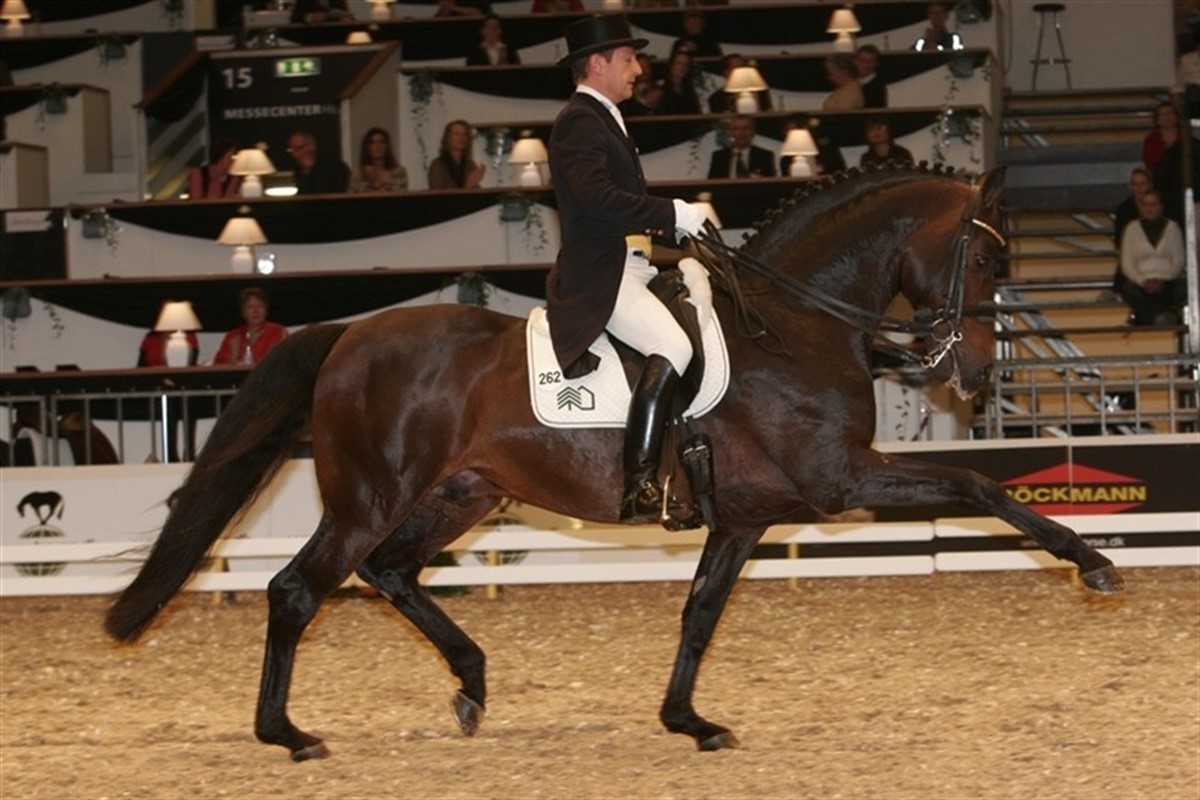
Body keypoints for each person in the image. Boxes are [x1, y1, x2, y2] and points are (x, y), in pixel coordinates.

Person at [546, 14, 709, 522]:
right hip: (602, 274)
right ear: (598, 63)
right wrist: (672, 213)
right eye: (629, 59)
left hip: (632, 264)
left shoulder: (604, 117)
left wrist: (673, 232)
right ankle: (639, 481)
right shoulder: (579, 121)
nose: (638, 69)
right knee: (675, 345)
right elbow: (597, 200)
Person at [1117, 189, 1187, 326]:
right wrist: (1143, 281)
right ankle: (1162, 315)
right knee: (1128, 290)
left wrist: (1162, 279)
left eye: (1153, 204)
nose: (1149, 208)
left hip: (1167, 282)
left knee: (1185, 287)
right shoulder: (1131, 229)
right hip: (1141, 283)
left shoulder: (1173, 228)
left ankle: (1147, 315)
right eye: (1145, 205)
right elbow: (1127, 263)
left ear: (1161, 207)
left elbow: (1179, 260)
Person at [213, 287, 290, 365]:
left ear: (266, 310)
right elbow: (219, 364)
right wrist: (234, 362)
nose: (255, 311)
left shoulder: (279, 333)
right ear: (243, 312)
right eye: (249, 307)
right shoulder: (232, 337)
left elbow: (288, 360)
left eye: (260, 306)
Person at [1111, 167, 1153, 294]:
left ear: (1150, 185)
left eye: (1142, 184)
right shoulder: (1124, 210)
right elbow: (1120, 240)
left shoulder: (1161, 207)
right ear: (1131, 186)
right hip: (1134, 256)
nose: (1139, 188)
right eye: (1135, 184)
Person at [707, 114, 776, 179]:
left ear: (753, 132)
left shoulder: (764, 156)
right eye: (736, 129)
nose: (741, 132)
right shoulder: (719, 157)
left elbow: (771, 182)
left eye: (746, 128)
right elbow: (711, 182)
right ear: (731, 133)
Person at [287, 130, 351, 194]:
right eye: (292, 150)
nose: (295, 154)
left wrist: (309, 171)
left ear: (311, 146)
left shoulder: (334, 166)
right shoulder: (296, 168)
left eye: (299, 148)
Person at [428, 119, 486, 189]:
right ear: (447, 138)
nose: (461, 138)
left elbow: (476, 192)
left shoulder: (469, 165)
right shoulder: (438, 165)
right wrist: (468, 185)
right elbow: (437, 193)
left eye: (464, 135)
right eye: (456, 134)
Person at [707, 53, 772, 114]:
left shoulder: (759, 92)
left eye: (743, 67)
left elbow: (767, 113)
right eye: (737, 68)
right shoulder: (717, 98)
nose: (742, 71)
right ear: (726, 72)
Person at [350, 128, 408, 193]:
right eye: (372, 143)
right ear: (367, 147)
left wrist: (380, 182)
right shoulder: (358, 173)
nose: (378, 146)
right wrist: (370, 181)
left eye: (382, 142)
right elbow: (354, 194)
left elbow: (400, 194)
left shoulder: (398, 172)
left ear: (387, 146)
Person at [655, 48, 701, 115]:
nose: (682, 67)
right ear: (671, 65)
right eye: (679, 63)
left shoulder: (690, 91)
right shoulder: (661, 89)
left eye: (685, 64)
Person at [1143, 101, 1183, 171]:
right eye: (1163, 114)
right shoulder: (1151, 140)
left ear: (1176, 117)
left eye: (1170, 113)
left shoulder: (1186, 138)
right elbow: (1150, 164)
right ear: (1157, 120)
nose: (1167, 116)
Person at [619, 52, 661, 117]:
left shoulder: (660, 90)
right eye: (641, 66)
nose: (643, 70)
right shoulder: (625, 93)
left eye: (646, 67)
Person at [855, 44, 888, 108]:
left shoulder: (877, 86)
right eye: (863, 61)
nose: (867, 65)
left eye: (871, 61)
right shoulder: (851, 82)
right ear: (855, 61)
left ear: (876, 63)